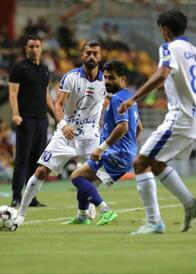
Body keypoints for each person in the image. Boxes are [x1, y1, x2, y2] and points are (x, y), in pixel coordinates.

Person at [118, 9, 196, 234]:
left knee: (139, 164)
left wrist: (132, 99)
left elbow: (162, 74)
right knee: (156, 163)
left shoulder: (168, 48)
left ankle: (153, 222)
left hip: (181, 118)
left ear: (165, 30)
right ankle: (190, 204)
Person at [15, 40, 107, 226]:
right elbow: (58, 105)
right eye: (88, 53)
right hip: (66, 135)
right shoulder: (70, 77)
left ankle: (84, 210)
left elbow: (110, 103)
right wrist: (63, 124)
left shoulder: (106, 80)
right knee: (41, 171)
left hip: (90, 137)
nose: (91, 56)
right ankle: (21, 213)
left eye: (95, 53)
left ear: (100, 57)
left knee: (97, 175)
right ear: (82, 56)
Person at [65, 60, 142, 225]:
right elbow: (139, 127)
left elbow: (123, 127)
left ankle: (106, 211)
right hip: (124, 153)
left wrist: (102, 148)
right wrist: (129, 148)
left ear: (123, 78)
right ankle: (82, 215)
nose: (107, 82)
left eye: (111, 78)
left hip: (115, 153)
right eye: (105, 78)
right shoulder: (130, 98)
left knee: (76, 177)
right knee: (85, 180)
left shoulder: (117, 100)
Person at [8, 35, 55, 207]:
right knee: (22, 158)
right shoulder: (19, 67)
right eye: (31, 46)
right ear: (26, 48)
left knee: (37, 161)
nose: (34, 49)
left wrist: (57, 117)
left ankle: (32, 197)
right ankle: (16, 196)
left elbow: (46, 96)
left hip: (42, 120)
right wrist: (15, 114)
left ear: (41, 48)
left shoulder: (44, 69)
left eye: (37, 46)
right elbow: (13, 93)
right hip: (25, 119)